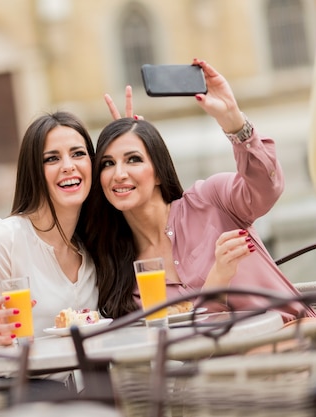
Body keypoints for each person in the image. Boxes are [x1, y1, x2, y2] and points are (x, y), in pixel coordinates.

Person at [83, 59, 316, 323]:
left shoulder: (210, 201)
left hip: (298, 341)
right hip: (224, 363)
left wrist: (235, 124)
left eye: (134, 159)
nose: (119, 173)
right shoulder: (125, 279)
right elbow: (177, 347)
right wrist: (216, 284)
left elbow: (266, 186)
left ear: (159, 170)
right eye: (108, 163)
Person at [0, 111, 97, 396]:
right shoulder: (6, 240)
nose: (68, 166)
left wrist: (128, 137)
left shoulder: (94, 247)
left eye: (78, 154)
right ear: (34, 171)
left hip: (75, 398)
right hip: (6, 400)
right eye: (52, 158)